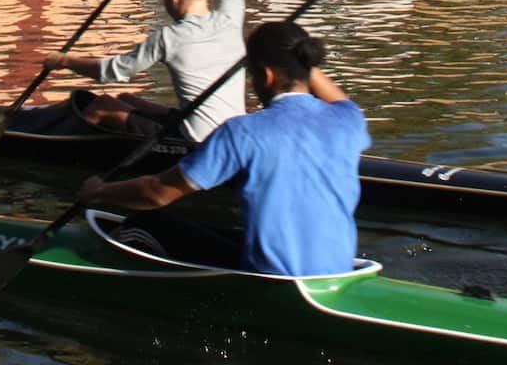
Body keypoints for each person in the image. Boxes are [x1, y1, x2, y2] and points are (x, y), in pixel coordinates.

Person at [77, 22, 370, 277]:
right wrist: (296, 57)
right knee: (225, 231)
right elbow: (336, 97)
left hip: (271, 279)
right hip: (337, 267)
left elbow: (157, 193)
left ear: (266, 77)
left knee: (145, 221)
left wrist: (100, 192)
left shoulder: (242, 132)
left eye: (252, 75)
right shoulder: (349, 120)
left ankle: (93, 266)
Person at [42, 0, 246, 142]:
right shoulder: (230, 19)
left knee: (101, 106)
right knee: (127, 98)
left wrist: (64, 61)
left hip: (197, 140)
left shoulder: (169, 38)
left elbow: (111, 72)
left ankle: (61, 151)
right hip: (233, 133)